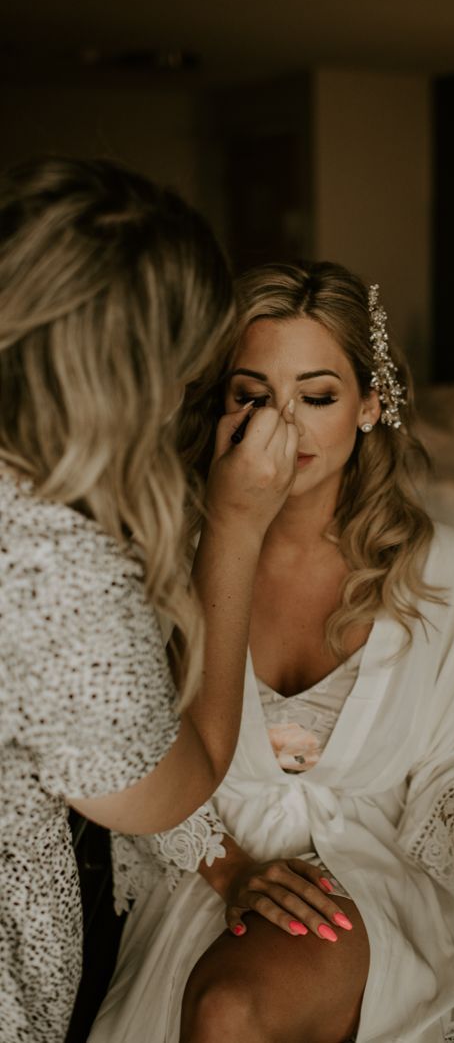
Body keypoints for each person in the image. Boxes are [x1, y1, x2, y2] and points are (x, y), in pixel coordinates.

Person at [89, 261, 454, 1043]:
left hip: (375, 867)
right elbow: (132, 749)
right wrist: (231, 869)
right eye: (254, 395)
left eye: (317, 396)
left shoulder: (442, 570)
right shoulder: (167, 558)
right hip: (206, 868)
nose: (284, 427)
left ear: (370, 405)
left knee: (232, 1011)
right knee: (220, 1010)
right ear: (222, 407)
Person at [0, 158, 298, 1043]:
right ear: (133, 374)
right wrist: (235, 529)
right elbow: (181, 777)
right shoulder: (55, 569)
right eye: (193, 373)